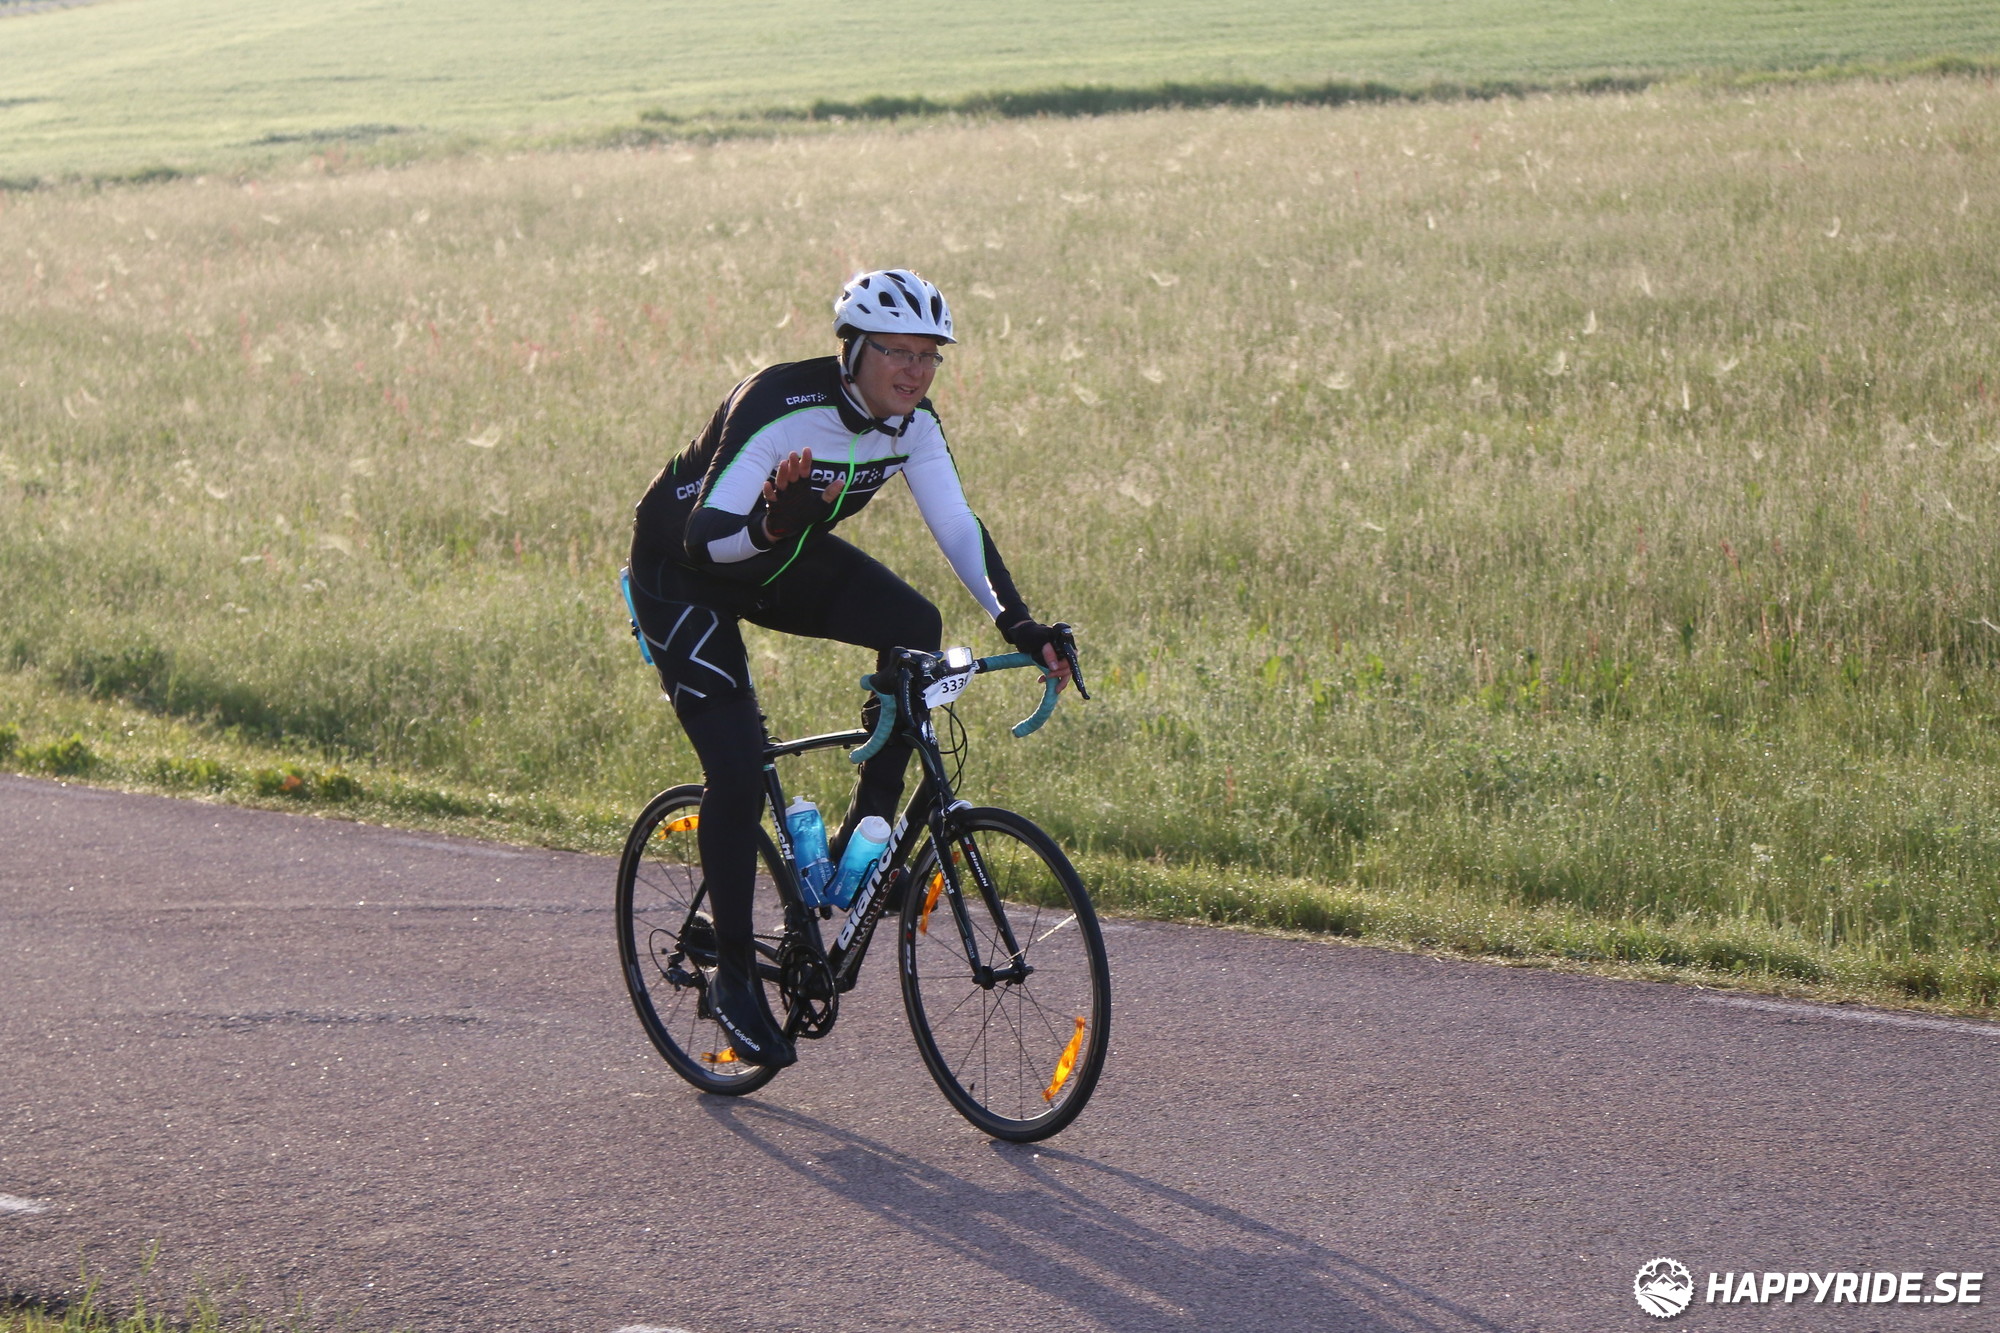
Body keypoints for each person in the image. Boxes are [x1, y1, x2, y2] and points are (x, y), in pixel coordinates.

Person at [625, 268, 1071, 1068]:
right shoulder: (779, 406)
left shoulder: (912, 425)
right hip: (683, 574)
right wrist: (771, 525)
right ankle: (734, 979)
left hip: (776, 554)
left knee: (914, 628)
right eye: (897, 352)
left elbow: (958, 526)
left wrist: (1021, 622)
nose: (915, 371)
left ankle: (866, 842)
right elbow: (703, 538)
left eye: (929, 355)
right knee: (736, 767)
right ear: (854, 350)